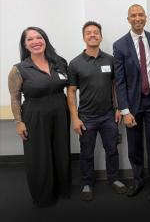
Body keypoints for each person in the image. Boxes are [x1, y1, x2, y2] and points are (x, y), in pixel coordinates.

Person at [8, 27, 71, 207]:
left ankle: (62, 189)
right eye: (30, 39)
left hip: (60, 111)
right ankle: (43, 196)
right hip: (35, 114)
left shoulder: (60, 62)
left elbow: (71, 89)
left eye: (39, 37)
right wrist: (19, 122)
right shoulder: (19, 69)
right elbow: (14, 97)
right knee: (39, 156)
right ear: (25, 45)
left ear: (45, 40)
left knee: (60, 151)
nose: (36, 41)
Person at [67, 21, 126, 201]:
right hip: (86, 117)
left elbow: (115, 85)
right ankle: (87, 183)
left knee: (112, 150)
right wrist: (75, 118)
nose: (92, 35)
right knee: (86, 153)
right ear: (84, 37)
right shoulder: (75, 63)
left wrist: (117, 107)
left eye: (96, 32)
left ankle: (114, 178)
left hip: (108, 115)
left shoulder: (110, 59)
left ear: (101, 36)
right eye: (88, 33)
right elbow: (70, 92)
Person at [113, 4, 150, 202]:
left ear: (146, 17)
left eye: (140, 15)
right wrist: (125, 110)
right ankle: (137, 179)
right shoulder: (120, 45)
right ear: (128, 19)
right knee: (134, 145)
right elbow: (120, 81)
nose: (137, 18)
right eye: (133, 15)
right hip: (132, 105)